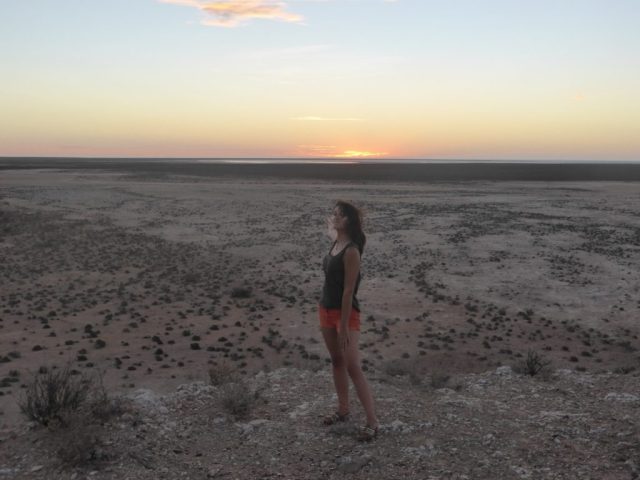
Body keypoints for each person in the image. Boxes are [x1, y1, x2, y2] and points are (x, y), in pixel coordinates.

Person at [318, 200, 379, 441]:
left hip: (346, 314)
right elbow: (330, 228)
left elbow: (348, 291)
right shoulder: (336, 241)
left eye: (339, 215)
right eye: (333, 213)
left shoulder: (351, 251)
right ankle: (343, 410)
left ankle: (373, 422)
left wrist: (343, 326)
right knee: (336, 361)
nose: (334, 217)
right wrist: (332, 220)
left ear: (348, 222)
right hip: (325, 309)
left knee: (352, 365)